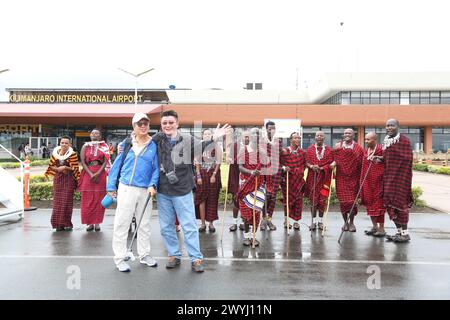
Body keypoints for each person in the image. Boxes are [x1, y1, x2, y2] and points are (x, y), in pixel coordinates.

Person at [151, 109, 231, 272]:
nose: (168, 125)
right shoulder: (157, 140)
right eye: (164, 123)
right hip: (163, 190)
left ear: (177, 123)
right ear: (161, 125)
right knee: (166, 227)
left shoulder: (186, 139)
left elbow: (201, 147)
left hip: (182, 190)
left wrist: (214, 137)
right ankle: (174, 254)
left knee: (188, 226)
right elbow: (141, 144)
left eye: (171, 122)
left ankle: (196, 258)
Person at [107, 113, 159, 272]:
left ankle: (144, 254)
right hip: (126, 188)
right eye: (139, 124)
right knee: (122, 223)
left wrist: (153, 184)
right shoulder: (127, 143)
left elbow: (156, 168)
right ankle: (120, 257)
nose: (143, 126)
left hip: (145, 190)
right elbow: (117, 165)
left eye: (146, 123)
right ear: (134, 126)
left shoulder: (154, 144)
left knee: (144, 224)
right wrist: (110, 186)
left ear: (149, 125)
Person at [236, 127, 269, 246]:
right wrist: (251, 172)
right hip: (246, 183)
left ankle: (254, 236)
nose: (256, 136)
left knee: (256, 211)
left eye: (258, 134)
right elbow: (240, 167)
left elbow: (266, 165)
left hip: (258, 184)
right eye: (254, 134)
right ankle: (246, 236)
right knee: (245, 212)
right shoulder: (243, 150)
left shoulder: (262, 151)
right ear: (249, 136)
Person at [382, 119, 413, 243]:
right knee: (390, 203)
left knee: (401, 205)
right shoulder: (387, 141)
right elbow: (387, 158)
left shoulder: (404, 141)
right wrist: (380, 158)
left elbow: (407, 159)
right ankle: (399, 232)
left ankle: (405, 234)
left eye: (392, 125)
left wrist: (396, 169)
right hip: (389, 178)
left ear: (398, 127)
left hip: (401, 179)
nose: (389, 127)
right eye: (387, 125)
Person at [44, 136, 80, 231]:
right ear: (59, 143)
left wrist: (64, 167)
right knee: (57, 202)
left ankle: (66, 223)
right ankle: (57, 224)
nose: (64, 144)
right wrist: (58, 169)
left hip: (69, 179)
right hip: (58, 179)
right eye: (62, 142)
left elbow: (75, 168)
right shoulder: (55, 153)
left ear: (70, 144)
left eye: (66, 143)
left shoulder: (73, 154)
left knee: (67, 202)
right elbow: (51, 166)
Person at [333, 128, 364, 232]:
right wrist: (333, 163)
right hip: (341, 178)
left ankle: (351, 223)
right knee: (343, 202)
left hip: (353, 178)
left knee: (351, 202)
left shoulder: (358, 148)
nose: (347, 135)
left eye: (349, 133)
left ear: (353, 135)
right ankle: (345, 222)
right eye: (345, 133)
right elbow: (334, 158)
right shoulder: (338, 145)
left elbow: (361, 163)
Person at [78, 128, 110, 232]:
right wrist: (91, 173)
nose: (94, 134)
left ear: (100, 136)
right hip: (88, 173)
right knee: (87, 199)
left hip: (100, 173)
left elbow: (105, 161)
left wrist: (98, 173)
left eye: (96, 133)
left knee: (99, 198)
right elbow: (82, 161)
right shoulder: (85, 146)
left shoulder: (104, 146)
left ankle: (97, 223)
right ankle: (90, 223)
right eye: (92, 133)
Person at [304, 131, 334, 231]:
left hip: (324, 179)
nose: (319, 137)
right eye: (317, 135)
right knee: (313, 201)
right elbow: (306, 162)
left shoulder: (329, 150)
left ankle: (321, 222)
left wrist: (322, 168)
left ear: (324, 137)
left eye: (321, 135)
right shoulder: (310, 149)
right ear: (315, 137)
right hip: (312, 178)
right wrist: (312, 166)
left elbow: (331, 163)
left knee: (322, 201)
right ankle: (313, 221)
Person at [194, 129, 223, 233]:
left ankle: (211, 223)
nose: (207, 135)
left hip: (213, 174)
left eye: (209, 134)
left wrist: (214, 174)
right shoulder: (199, 146)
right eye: (205, 134)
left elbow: (219, 161)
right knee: (202, 199)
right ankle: (202, 224)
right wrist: (198, 176)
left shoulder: (216, 145)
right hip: (202, 174)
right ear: (202, 136)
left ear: (212, 135)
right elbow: (197, 162)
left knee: (212, 199)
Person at [361, 132, 386, 237]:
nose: (366, 141)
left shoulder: (381, 150)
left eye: (368, 139)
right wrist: (362, 181)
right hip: (367, 182)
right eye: (365, 139)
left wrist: (379, 158)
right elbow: (363, 166)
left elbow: (386, 163)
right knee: (369, 205)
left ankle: (382, 228)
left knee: (379, 206)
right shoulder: (366, 151)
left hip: (379, 182)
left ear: (375, 140)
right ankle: (374, 226)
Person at [280, 132, 306, 230]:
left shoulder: (303, 152)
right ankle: (287, 220)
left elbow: (304, 165)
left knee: (298, 202)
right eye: (295, 138)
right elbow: (279, 163)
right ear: (291, 140)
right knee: (287, 201)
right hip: (287, 180)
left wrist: (299, 171)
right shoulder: (284, 151)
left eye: (299, 138)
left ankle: (296, 221)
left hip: (298, 181)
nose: (298, 140)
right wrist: (284, 168)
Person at [260, 121, 282, 231]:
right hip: (265, 172)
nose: (272, 130)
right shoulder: (261, 141)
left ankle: (269, 219)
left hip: (276, 172)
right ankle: (263, 220)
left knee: (273, 197)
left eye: (274, 128)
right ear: (266, 129)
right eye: (270, 128)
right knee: (265, 197)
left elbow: (281, 156)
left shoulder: (279, 141)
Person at [227, 130, 247, 232]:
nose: (246, 138)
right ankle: (234, 222)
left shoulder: (252, 147)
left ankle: (244, 222)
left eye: (248, 136)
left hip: (247, 177)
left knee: (245, 201)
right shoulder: (234, 146)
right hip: (236, 175)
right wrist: (230, 159)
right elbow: (230, 158)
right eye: (244, 136)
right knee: (235, 199)